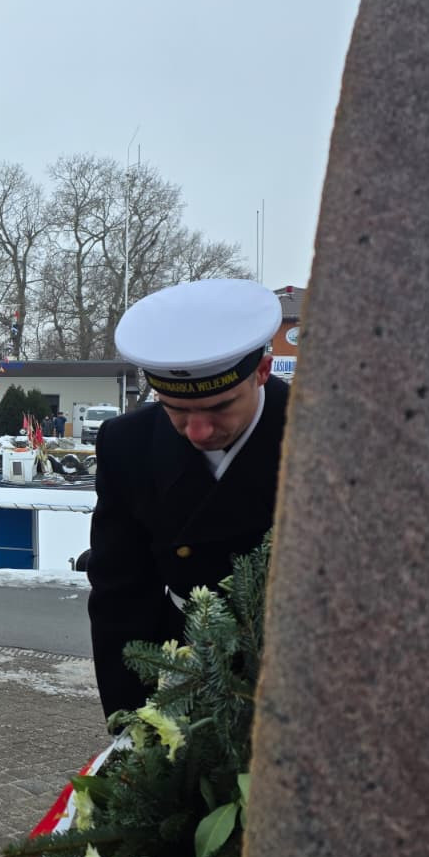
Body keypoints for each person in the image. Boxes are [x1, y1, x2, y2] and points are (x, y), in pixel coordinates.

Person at [87, 279, 287, 718]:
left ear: (262, 371)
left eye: (219, 407)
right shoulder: (128, 445)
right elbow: (120, 595)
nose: (197, 432)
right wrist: (133, 722)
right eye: (176, 409)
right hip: (180, 669)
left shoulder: (325, 436)